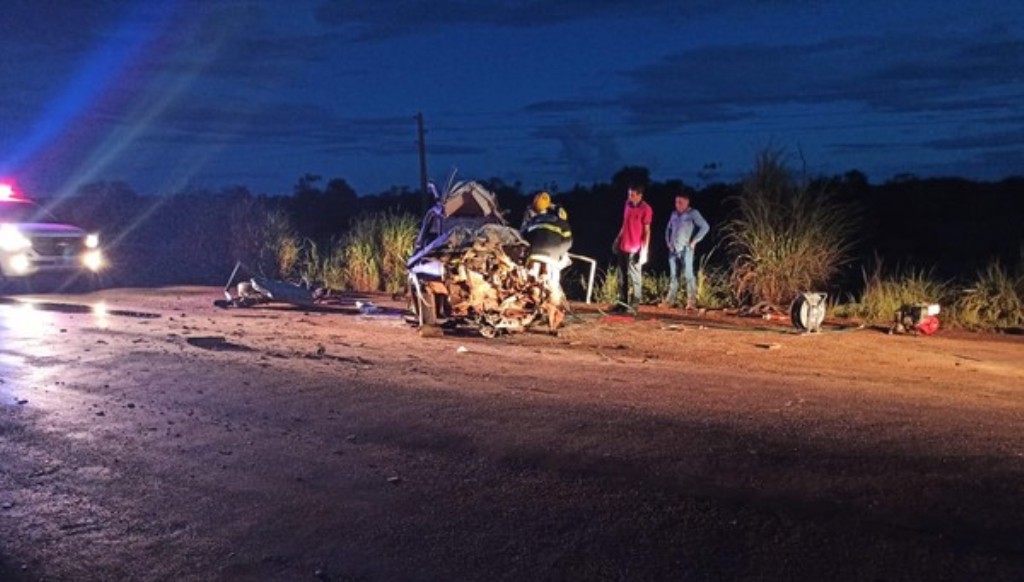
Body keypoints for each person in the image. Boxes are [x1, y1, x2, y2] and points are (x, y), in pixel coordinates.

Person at [521, 191, 573, 306]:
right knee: (553, 283)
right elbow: (568, 243)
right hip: (552, 256)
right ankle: (553, 305)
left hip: (534, 255)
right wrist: (558, 253)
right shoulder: (562, 223)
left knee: (531, 280)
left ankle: (530, 303)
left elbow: (524, 237)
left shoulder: (534, 220)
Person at [664, 190, 710, 310]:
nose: (678, 204)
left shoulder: (693, 213)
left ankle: (691, 302)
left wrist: (695, 241)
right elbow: (668, 229)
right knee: (674, 275)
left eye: (680, 202)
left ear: (687, 202)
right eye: (676, 202)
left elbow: (705, 227)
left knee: (689, 275)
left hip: (686, 249)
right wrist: (668, 242)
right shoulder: (673, 214)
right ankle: (669, 301)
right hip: (673, 248)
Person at [611, 185, 652, 311]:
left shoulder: (646, 209)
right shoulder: (627, 204)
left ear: (640, 195)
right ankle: (622, 302)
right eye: (629, 194)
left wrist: (644, 251)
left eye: (633, 195)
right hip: (624, 244)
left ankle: (635, 302)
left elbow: (647, 231)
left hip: (636, 248)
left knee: (635, 275)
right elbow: (624, 223)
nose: (630, 197)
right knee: (621, 276)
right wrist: (618, 238)